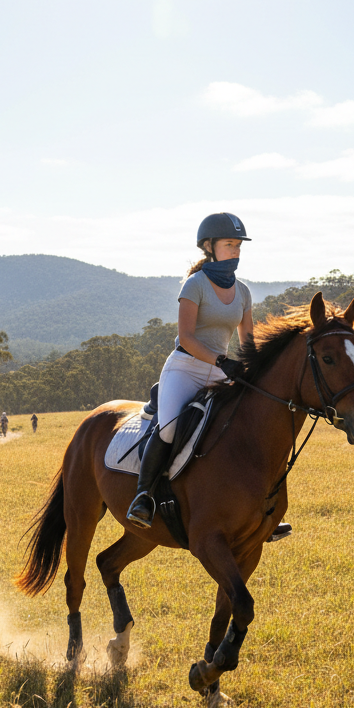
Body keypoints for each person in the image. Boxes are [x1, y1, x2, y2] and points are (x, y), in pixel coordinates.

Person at [126, 212, 254, 529]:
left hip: (221, 370)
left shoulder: (244, 292)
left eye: (238, 245)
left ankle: (256, 504)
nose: (236, 250)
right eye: (229, 244)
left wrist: (253, 368)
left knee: (247, 424)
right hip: (185, 367)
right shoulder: (195, 284)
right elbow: (187, 337)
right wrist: (223, 362)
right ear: (209, 247)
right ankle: (143, 497)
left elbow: (248, 342)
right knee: (169, 429)